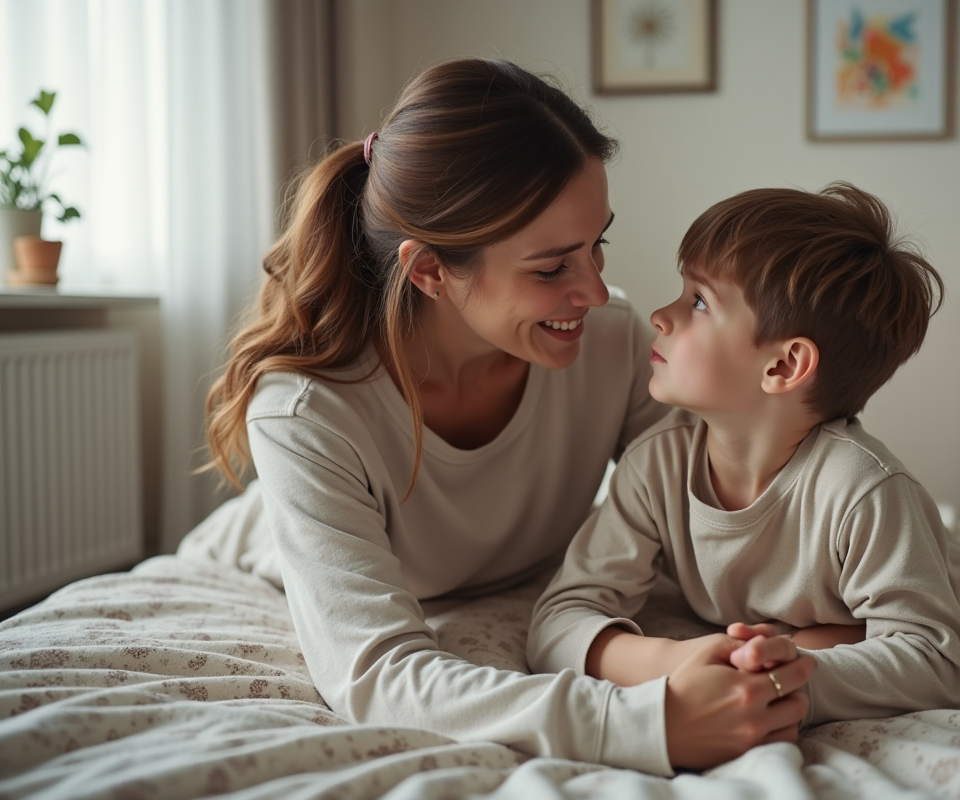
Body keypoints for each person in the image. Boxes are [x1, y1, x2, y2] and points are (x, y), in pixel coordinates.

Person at [191, 58, 817, 776]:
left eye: (596, 245)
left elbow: (714, 506)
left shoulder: (609, 341)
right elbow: (375, 674)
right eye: (551, 268)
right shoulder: (309, 414)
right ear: (428, 271)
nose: (593, 288)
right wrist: (647, 723)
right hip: (271, 547)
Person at [527, 185, 960, 729]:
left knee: (935, 592)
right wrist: (673, 663)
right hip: (786, 611)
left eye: (699, 301)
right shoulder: (654, 465)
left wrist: (789, 674)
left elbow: (944, 664)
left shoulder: (866, 492)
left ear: (783, 366)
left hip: (944, 577)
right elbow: (561, 618)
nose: (659, 315)